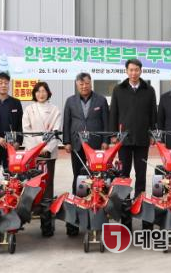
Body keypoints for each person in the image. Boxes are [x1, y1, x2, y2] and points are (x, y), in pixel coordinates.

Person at [63, 72, 109, 235]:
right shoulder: (70, 101)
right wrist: (67, 141)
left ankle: (97, 210)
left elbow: (106, 121)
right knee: (78, 178)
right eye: (81, 84)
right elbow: (67, 122)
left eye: (87, 83)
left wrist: (106, 140)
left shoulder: (101, 100)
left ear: (91, 83)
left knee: (97, 178)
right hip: (77, 145)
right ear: (77, 85)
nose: (84, 86)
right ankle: (77, 214)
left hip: (96, 145)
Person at [109, 59, 157, 200]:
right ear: (126, 71)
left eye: (136, 70)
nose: (134, 73)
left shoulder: (149, 90)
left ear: (141, 71)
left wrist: (153, 134)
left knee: (141, 172)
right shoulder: (118, 89)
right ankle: (124, 201)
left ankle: (139, 200)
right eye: (131, 70)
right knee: (123, 172)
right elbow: (113, 113)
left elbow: (153, 113)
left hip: (142, 137)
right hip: (124, 138)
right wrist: (113, 134)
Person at [22, 81, 62, 201]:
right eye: (38, 91)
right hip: (32, 152)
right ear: (34, 93)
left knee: (48, 179)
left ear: (48, 93)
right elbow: (26, 130)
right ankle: (33, 204)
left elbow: (56, 131)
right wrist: (36, 149)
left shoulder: (55, 110)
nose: (41, 94)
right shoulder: (29, 109)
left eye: (44, 91)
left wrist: (47, 148)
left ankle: (47, 202)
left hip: (48, 151)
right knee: (33, 179)